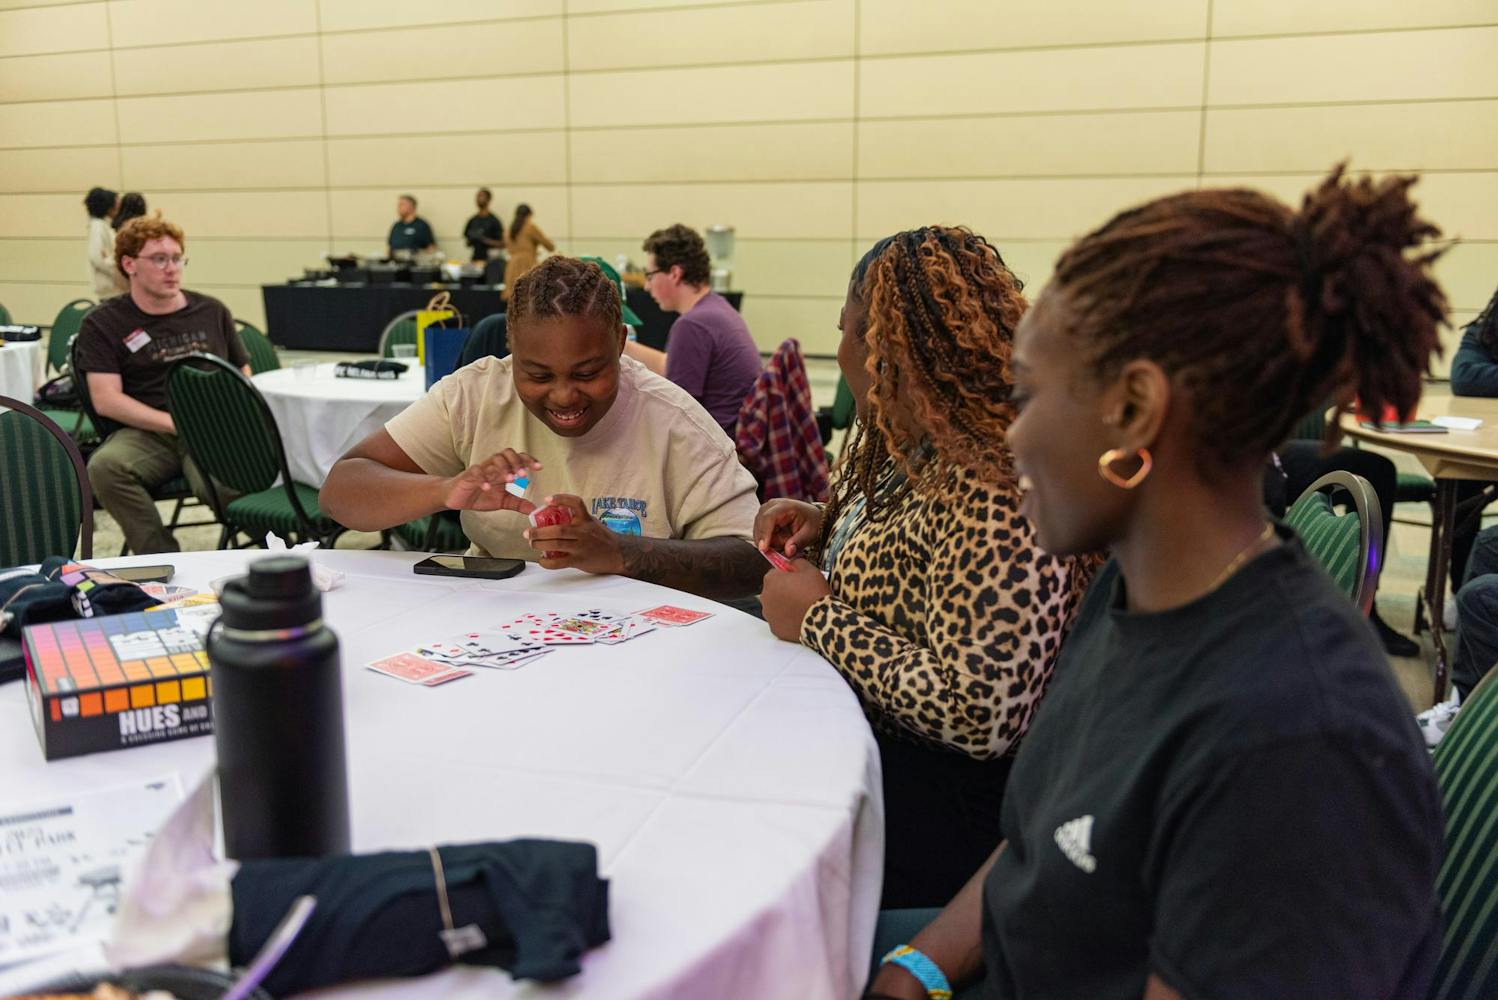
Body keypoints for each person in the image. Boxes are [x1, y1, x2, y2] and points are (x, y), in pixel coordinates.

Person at [864, 167, 1445, 1000]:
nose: (1013, 438)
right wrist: (916, 969)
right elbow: (1043, 844)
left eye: (1027, 395)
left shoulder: (1295, 743)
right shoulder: (1133, 590)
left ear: (1135, 410)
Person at [753, 227, 1094, 909]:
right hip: (875, 749)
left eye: (848, 332)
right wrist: (829, 523)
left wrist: (819, 619)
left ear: (890, 352)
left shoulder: (995, 485)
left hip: (946, 810)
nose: (840, 351)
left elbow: (983, 714)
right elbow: (912, 566)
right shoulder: (920, 444)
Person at [321, 256, 765, 600]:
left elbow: (754, 561)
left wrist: (620, 553)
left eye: (588, 373)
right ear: (511, 347)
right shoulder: (475, 394)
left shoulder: (674, 422)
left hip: (639, 638)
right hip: (491, 623)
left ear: (621, 343)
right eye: (537, 375)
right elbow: (341, 491)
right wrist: (444, 490)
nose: (564, 396)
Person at [75, 215, 251, 555]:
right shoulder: (103, 323)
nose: (172, 269)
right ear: (129, 264)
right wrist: (173, 423)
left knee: (225, 486)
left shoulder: (211, 311)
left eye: (177, 258)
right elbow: (106, 399)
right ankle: (161, 559)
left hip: (211, 427)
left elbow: (242, 371)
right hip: (148, 430)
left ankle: (285, 551)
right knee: (105, 467)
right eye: (159, 259)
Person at [624, 223, 762, 437]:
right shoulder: (716, 309)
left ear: (674, 273)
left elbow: (676, 411)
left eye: (650, 276)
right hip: (733, 435)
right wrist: (620, 343)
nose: (647, 286)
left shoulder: (692, 325)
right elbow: (671, 364)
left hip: (717, 443)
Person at [500, 203, 553, 301]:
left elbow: (508, 247)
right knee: (528, 297)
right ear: (528, 216)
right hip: (527, 264)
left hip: (511, 266)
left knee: (514, 299)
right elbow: (549, 246)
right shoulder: (530, 227)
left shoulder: (508, 231)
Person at [84, 186, 126, 297]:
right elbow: (97, 257)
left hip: (113, 288)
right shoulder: (97, 227)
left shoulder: (104, 225)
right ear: (108, 207)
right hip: (109, 289)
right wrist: (118, 271)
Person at [462, 188, 505, 263]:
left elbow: (502, 243)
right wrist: (472, 239)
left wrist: (484, 239)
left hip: (491, 260)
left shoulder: (494, 221)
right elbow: (467, 242)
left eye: (482, 196)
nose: (479, 199)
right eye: (478, 196)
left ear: (489, 200)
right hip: (476, 259)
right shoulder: (472, 220)